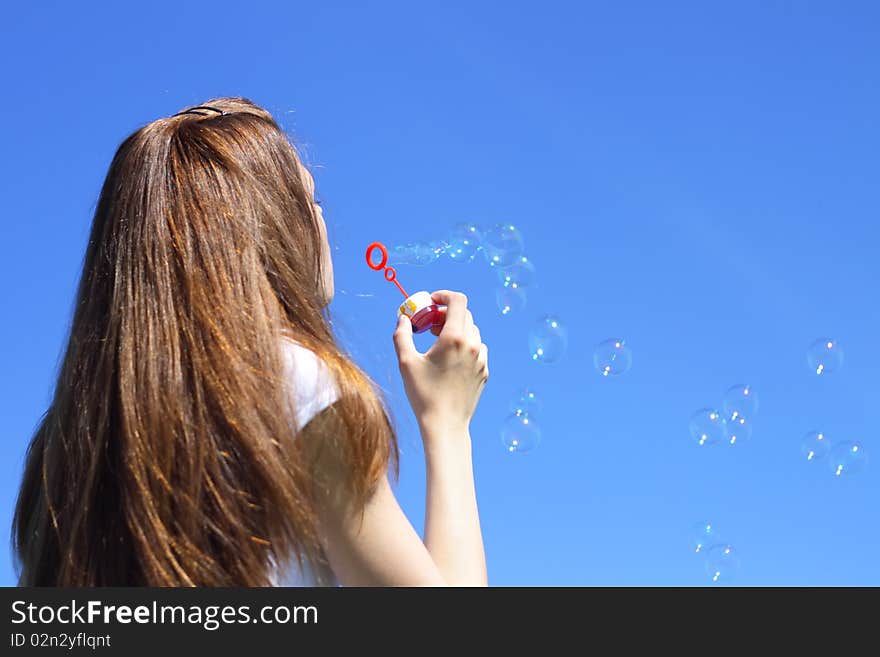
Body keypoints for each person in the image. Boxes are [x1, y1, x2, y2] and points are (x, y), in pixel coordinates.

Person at [12, 97, 489, 586]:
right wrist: (447, 421)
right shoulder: (296, 383)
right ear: (266, 221)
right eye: (310, 199)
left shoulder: (65, 441)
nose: (323, 222)